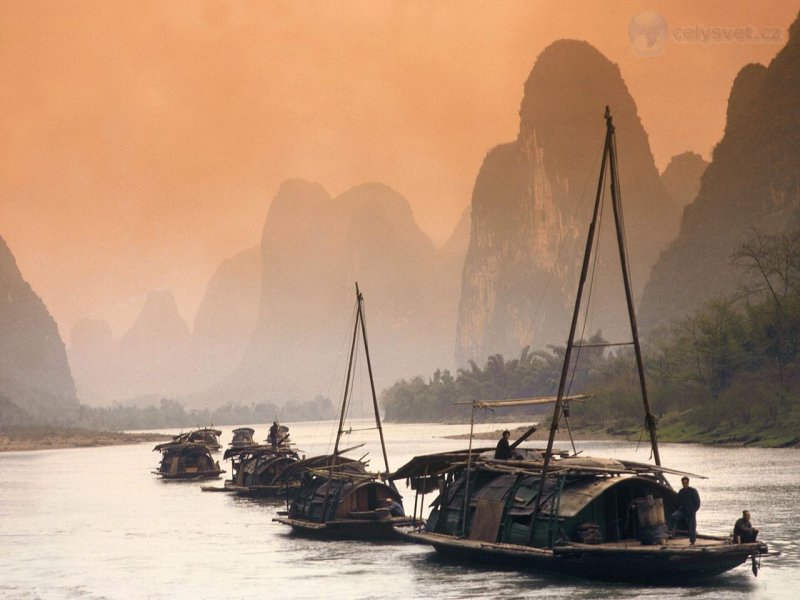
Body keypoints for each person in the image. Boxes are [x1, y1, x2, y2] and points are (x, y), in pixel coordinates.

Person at [669, 476, 701, 544]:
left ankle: (692, 540)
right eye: (683, 482)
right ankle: (671, 532)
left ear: (688, 482)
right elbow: (677, 501)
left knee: (692, 525)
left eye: (686, 482)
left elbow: (697, 502)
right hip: (682, 510)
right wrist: (679, 508)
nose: (685, 484)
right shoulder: (681, 491)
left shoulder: (693, 491)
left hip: (691, 511)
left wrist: (694, 510)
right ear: (682, 483)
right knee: (673, 516)